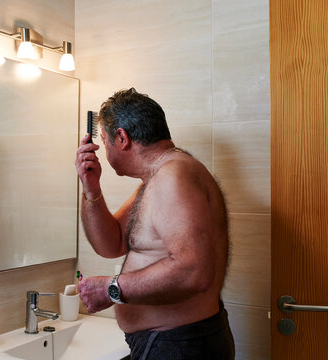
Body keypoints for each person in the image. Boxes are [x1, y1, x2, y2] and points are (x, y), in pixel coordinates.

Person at [75, 88, 235, 360]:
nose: (105, 148)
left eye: (105, 140)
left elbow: (193, 271)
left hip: (178, 345)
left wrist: (110, 289)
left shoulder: (172, 177)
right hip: (173, 342)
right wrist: (92, 190)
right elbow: (110, 243)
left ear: (122, 138)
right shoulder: (157, 179)